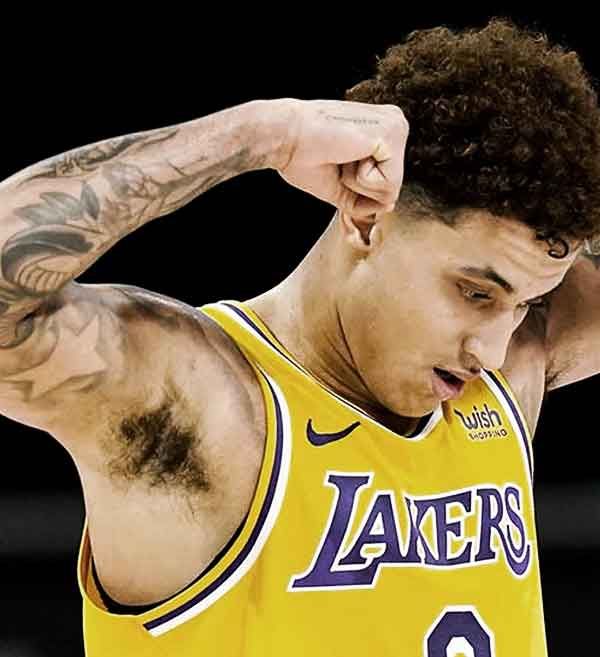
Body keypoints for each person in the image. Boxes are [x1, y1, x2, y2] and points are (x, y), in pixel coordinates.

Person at [1, 17, 599, 657]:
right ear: (367, 219)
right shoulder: (208, 406)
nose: (491, 350)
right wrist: (262, 133)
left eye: (526, 304)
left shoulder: (507, 376)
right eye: (475, 293)